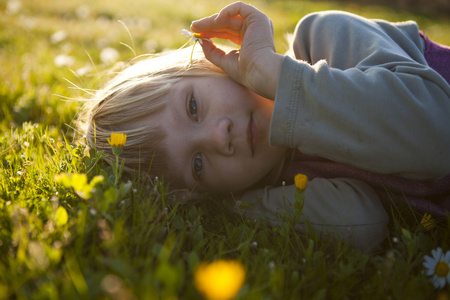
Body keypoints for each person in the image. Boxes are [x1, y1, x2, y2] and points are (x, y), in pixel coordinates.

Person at [80, 2, 450, 252]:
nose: (216, 137)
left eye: (194, 107)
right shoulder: (291, 181)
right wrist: (239, 203)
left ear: (208, 65)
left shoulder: (325, 38)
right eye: (197, 164)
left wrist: (276, 78)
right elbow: (363, 223)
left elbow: (438, 136)